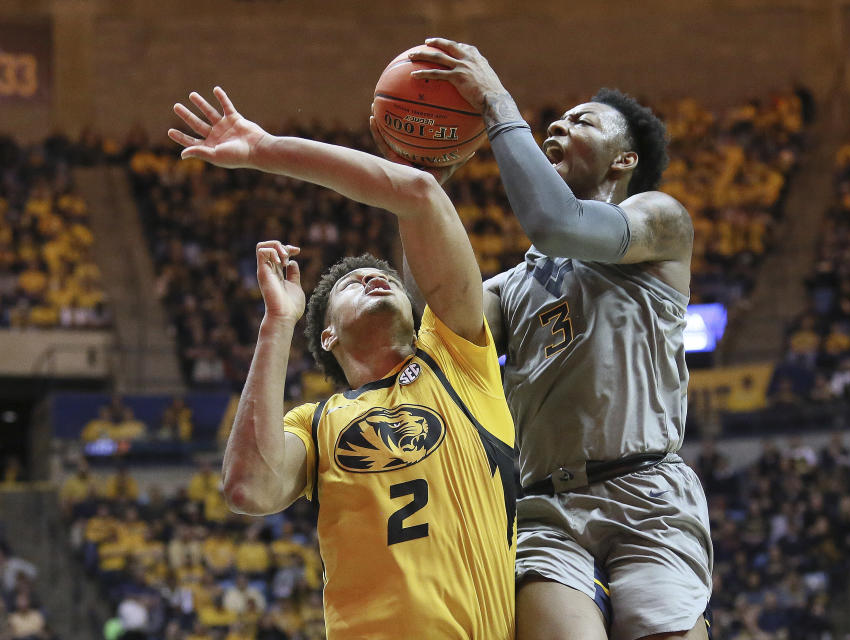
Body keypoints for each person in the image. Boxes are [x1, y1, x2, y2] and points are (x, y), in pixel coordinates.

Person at [169, 87, 516, 639]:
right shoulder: (317, 422)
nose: (375, 277)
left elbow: (421, 194)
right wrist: (276, 324)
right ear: (327, 334)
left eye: (385, 277)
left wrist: (264, 147)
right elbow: (248, 489)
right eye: (354, 282)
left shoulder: (456, 358)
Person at [398, 38, 713, 640]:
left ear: (623, 162)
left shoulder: (660, 221)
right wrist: (419, 188)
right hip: (545, 508)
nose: (559, 125)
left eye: (583, 120)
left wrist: (494, 101)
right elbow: (435, 318)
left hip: (646, 491)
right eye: (558, 120)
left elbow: (557, 223)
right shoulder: (515, 286)